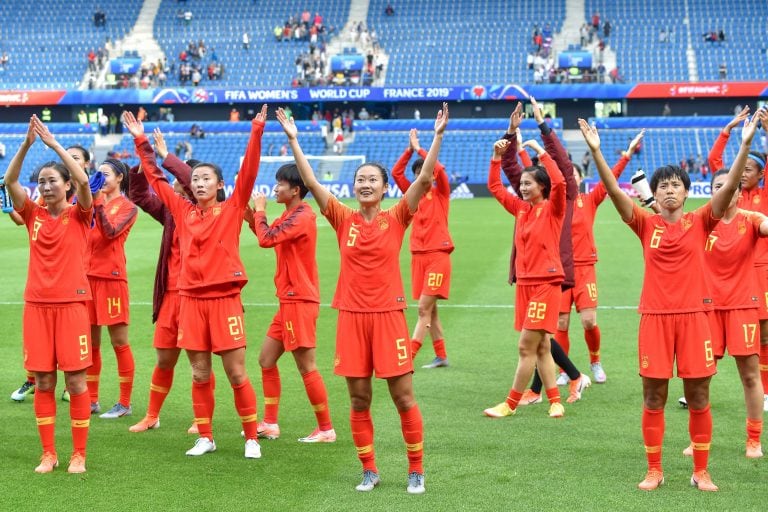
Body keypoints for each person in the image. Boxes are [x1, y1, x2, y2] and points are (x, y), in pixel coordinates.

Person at [577, 113, 758, 492]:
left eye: (676, 185)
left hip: (694, 318)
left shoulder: (701, 220)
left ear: (686, 192)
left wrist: (743, 145)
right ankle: (654, 470)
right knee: (654, 395)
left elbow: (726, 193)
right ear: (654, 194)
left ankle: (701, 471)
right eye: (663, 187)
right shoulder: (645, 224)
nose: (669, 190)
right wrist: (596, 152)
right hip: (655, 319)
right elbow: (613, 194)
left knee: (698, 394)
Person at [276, 103, 449, 494]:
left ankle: (415, 470)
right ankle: (369, 469)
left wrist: (436, 137)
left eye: (372, 179)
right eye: (360, 179)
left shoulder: (397, 216)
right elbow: (312, 182)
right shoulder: (342, 218)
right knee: (358, 399)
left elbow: (422, 181)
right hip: (351, 317)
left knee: (403, 396)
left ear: (384, 187)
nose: (365, 184)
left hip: (388, 315)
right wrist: (294, 141)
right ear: (354, 187)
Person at [124, 105, 267, 459]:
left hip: (224, 300)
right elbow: (155, 179)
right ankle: (206, 436)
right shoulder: (181, 210)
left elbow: (248, 170)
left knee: (236, 373)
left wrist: (256, 129)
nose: (200, 183)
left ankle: (250, 437)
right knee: (200, 372)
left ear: (220, 185)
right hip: (190, 301)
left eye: (207, 179)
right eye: (196, 179)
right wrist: (142, 142)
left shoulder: (232, 208)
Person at [5, 115, 94, 473]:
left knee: (74, 381)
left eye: (52, 181)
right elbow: (10, 181)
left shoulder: (79, 215)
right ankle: (49, 453)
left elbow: (86, 179)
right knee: (43, 380)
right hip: (37, 307)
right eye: (41, 182)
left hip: (71, 306)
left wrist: (54, 144)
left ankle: (78, 454)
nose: (45, 187)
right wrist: (27, 145)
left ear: (66, 185)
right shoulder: (32, 214)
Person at [683, 126, 767, 459]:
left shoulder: (751, 218)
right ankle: (697, 439)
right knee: (700, 378)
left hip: (743, 307)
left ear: (737, 191)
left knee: (750, 374)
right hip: (706, 309)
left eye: (728, 186)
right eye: (717, 187)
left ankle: (753, 439)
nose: (724, 191)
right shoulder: (697, 222)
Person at [483, 111, 568, 420]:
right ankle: (555, 401)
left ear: (541, 186)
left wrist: (542, 153)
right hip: (525, 284)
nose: (522, 187)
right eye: (521, 184)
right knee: (543, 346)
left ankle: (511, 403)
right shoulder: (520, 210)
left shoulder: (553, 209)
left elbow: (560, 183)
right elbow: (494, 188)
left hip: (545, 283)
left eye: (528, 183)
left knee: (525, 347)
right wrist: (496, 157)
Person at [244, 162, 335, 443]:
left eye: (281, 183)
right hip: (288, 299)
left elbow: (266, 239)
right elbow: (264, 232)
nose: (275, 186)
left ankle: (326, 428)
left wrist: (259, 210)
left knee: (306, 366)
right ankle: (270, 423)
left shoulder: (302, 216)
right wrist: (248, 213)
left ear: (296, 190)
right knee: (266, 359)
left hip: (300, 299)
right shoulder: (290, 214)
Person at [127, 128, 202, 434]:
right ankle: (152, 415)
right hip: (170, 296)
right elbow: (141, 195)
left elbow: (186, 177)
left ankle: (202, 418)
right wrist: (141, 165)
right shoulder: (172, 212)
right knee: (164, 358)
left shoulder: (209, 211)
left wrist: (166, 157)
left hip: (197, 297)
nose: (176, 185)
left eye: (185, 182)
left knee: (199, 362)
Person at [557, 130, 645, 383]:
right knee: (561, 324)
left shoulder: (589, 199)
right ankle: (565, 370)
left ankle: (595, 362)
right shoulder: (554, 204)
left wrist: (626, 155)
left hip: (585, 268)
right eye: (566, 175)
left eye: (573, 174)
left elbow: (610, 180)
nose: (570, 178)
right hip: (561, 270)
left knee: (588, 321)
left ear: (580, 178)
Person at [708, 106, 768, 411]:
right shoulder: (726, 198)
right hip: (731, 278)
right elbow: (716, 164)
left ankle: (765, 390)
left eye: (749, 170)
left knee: (764, 336)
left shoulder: (761, 199)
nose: (743, 173)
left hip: (761, 272)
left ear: (761, 173)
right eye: (740, 169)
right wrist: (727, 131)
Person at [391, 128, 454, 368]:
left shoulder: (441, 193)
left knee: (423, 309)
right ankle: (441, 356)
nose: (422, 177)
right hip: (418, 256)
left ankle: (407, 358)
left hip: (438, 255)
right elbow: (397, 172)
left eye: (424, 173)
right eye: (417, 174)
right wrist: (408, 149)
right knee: (432, 310)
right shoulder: (412, 195)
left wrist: (420, 148)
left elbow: (438, 168)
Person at [85, 158, 138, 418]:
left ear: (119, 178)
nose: (100, 178)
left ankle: (124, 403)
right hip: (86, 278)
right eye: (98, 173)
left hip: (111, 279)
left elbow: (109, 233)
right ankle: (91, 400)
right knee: (91, 343)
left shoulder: (127, 207)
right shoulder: (92, 203)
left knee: (119, 342)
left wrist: (95, 201)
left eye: (105, 174)